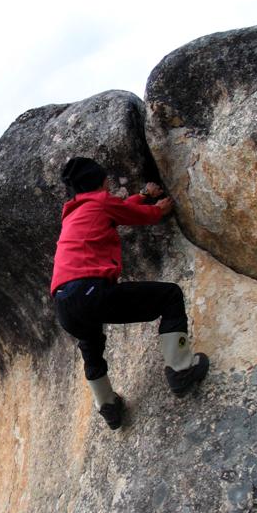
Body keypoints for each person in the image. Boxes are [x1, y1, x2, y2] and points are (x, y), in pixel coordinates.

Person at [51, 156, 209, 430]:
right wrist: (158, 209)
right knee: (170, 296)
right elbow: (136, 215)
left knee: (90, 344)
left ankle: (109, 407)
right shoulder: (101, 202)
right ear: (101, 181)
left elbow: (120, 209)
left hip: (63, 303)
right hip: (90, 291)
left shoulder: (74, 213)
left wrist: (143, 195)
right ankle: (181, 370)